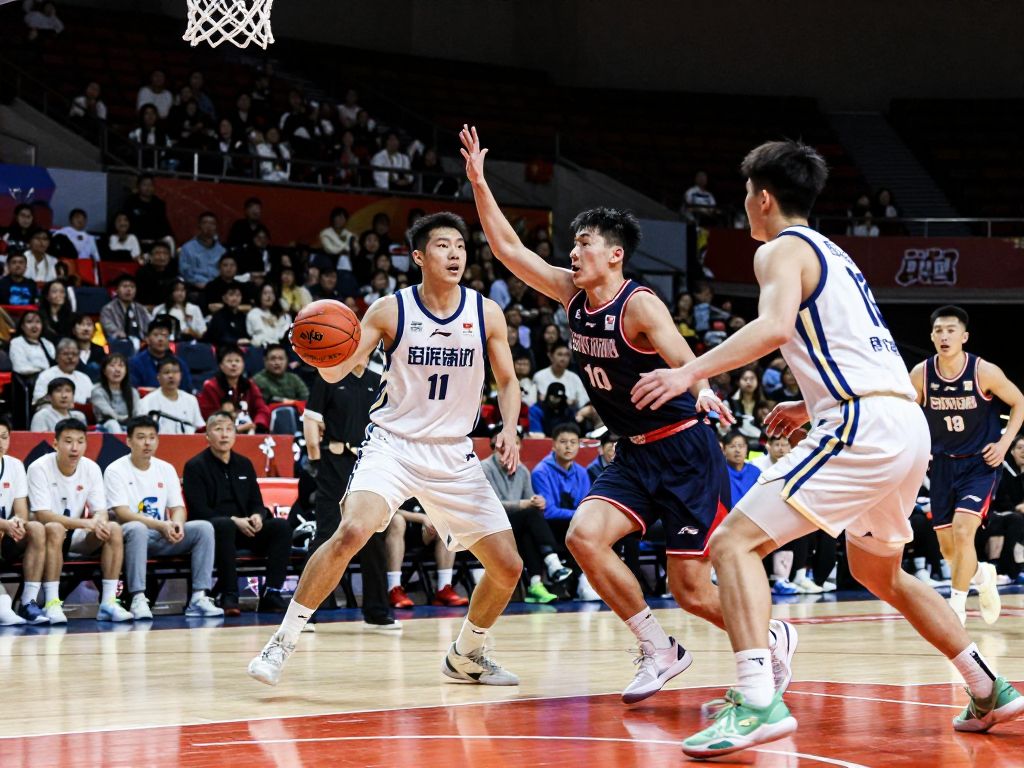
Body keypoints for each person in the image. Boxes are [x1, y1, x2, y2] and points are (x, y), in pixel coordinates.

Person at [629, 139, 1024, 756]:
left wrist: (688, 373)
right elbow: (847, 343)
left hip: (862, 423)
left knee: (733, 543)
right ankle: (987, 685)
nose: (744, 207)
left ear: (762, 198)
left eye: (744, 196)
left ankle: (758, 700)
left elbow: (775, 327)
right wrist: (808, 402)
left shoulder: (781, 249)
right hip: (900, 420)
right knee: (878, 570)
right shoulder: (835, 252)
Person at [462, 126, 784, 706]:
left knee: (691, 590)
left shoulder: (639, 304)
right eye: (574, 243)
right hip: (634, 452)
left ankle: (769, 637)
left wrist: (704, 388)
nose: (573, 252)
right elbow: (511, 251)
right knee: (585, 537)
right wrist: (481, 184)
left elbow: (682, 354)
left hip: (685, 449)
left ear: (614, 253)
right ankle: (659, 650)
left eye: (584, 242)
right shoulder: (570, 295)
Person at [248, 211, 524, 687]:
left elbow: (507, 379)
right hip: (393, 445)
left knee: (509, 566)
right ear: (419, 256)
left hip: (453, 452)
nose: (455, 253)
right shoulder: (389, 310)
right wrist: (319, 354)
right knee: (352, 529)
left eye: (460, 245)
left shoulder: (486, 312)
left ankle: (467, 654)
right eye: (442, 245)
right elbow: (341, 371)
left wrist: (511, 427)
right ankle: (282, 642)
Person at [909, 305, 1024, 625]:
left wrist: (1003, 444)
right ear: (932, 336)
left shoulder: (983, 371)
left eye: (951, 330)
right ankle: (982, 575)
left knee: (963, 531)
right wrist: (920, 448)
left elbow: (1019, 402)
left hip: (979, 464)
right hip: (943, 465)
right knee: (950, 550)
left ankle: (955, 610)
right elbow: (906, 415)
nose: (945, 336)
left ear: (964, 336)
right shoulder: (921, 374)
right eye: (939, 331)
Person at [302, 356, 397, 628]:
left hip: (368, 464)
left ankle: (377, 611)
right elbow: (311, 419)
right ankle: (305, 612)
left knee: (373, 535)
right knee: (326, 532)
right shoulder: (329, 376)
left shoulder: (377, 381)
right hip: (333, 464)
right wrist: (316, 461)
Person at [106, 416, 223, 619]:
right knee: (137, 528)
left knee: (204, 528)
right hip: (128, 537)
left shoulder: (166, 468)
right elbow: (122, 513)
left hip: (162, 534)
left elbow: (177, 507)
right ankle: (138, 598)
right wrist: (161, 525)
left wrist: (176, 524)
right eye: (141, 437)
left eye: (152, 437)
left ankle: (198, 597)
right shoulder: (115, 469)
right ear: (128, 441)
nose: (147, 442)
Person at [182, 412, 292, 616]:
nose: (224, 435)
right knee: (225, 525)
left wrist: (258, 516)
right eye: (218, 429)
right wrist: (234, 521)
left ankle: (272, 592)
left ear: (235, 434)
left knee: (280, 527)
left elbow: (257, 503)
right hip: (216, 533)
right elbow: (199, 510)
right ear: (207, 436)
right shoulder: (195, 466)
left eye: (229, 429)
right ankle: (229, 594)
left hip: (247, 530)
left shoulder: (244, 464)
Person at [27, 418, 134, 623]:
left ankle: (109, 602)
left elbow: (100, 510)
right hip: (45, 538)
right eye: (68, 441)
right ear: (55, 443)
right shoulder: (38, 467)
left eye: (80, 441)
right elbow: (42, 515)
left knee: (113, 528)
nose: (74, 448)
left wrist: (100, 522)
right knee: (55, 527)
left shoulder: (91, 468)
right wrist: (86, 523)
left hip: (76, 536)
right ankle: (52, 603)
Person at [482, 427, 571, 604]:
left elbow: (530, 500)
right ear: (495, 447)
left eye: (513, 444)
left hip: (517, 525)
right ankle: (552, 563)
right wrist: (523, 504)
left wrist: (539, 501)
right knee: (530, 515)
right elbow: (489, 506)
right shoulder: (484, 468)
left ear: (519, 447)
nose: (507, 448)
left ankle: (535, 585)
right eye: (503, 445)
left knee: (530, 526)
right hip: (491, 526)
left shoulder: (522, 470)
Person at [0, 416, 62, 625]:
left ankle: (29, 601)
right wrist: (4, 525)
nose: (0, 443)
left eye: (4, 437)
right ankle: (2, 603)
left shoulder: (15, 465)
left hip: (7, 535)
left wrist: (16, 523)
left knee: (35, 527)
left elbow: (21, 511)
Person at [197, 345, 270, 432]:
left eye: (237, 361)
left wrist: (258, 424)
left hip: (249, 430)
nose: (234, 364)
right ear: (221, 365)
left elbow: (261, 408)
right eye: (229, 361)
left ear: (243, 365)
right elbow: (208, 416)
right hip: (220, 433)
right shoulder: (211, 386)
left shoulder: (249, 385)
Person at [990, 434, 1024, 582]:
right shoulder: (1003, 471)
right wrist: (1017, 507)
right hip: (1001, 512)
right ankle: (1008, 569)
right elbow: (999, 498)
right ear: (1012, 451)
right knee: (1017, 520)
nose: (1023, 451)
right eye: (1020, 448)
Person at [139, 358, 204, 434]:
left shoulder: (191, 400)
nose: (171, 376)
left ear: (181, 375)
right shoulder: (147, 401)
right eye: (166, 372)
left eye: (175, 372)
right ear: (158, 377)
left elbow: (200, 428)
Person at [128, 317, 194, 392]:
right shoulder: (134, 363)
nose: (160, 339)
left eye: (164, 335)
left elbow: (187, 390)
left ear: (169, 340)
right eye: (156, 335)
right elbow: (133, 391)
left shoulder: (179, 364)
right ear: (147, 339)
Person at [32, 338, 93, 406]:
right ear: (57, 357)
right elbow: (38, 403)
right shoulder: (46, 376)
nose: (70, 357)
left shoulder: (85, 378)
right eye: (65, 354)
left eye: (74, 354)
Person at [91, 353, 140, 433]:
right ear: (104, 371)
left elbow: (137, 414)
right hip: (105, 428)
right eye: (112, 366)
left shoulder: (133, 392)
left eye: (121, 366)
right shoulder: (97, 391)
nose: (117, 369)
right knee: (113, 424)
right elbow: (109, 414)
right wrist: (128, 420)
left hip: (129, 427)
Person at [100, 274, 152, 350]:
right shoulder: (108, 309)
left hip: (142, 342)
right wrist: (120, 334)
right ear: (117, 290)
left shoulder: (141, 308)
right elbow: (109, 327)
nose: (129, 290)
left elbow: (150, 325)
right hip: (120, 342)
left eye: (132, 287)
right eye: (125, 286)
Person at [532, 341, 589, 411]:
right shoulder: (539, 376)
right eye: (560, 354)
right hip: (545, 415)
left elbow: (583, 401)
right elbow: (535, 401)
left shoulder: (575, 378)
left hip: (570, 416)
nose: (563, 358)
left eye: (567, 355)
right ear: (550, 356)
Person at [179, 212, 226, 291]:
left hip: (217, 287)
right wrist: (197, 283)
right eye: (205, 223)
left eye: (212, 224)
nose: (209, 226)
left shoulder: (222, 251)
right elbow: (185, 272)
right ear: (199, 226)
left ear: (216, 227)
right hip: (195, 287)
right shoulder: (187, 248)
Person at [10, 310, 55, 377]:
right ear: (22, 326)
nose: (34, 326)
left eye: (38, 322)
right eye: (29, 322)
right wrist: (44, 371)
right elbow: (20, 368)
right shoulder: (16, 342)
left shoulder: (47, 343)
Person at [722, 430, 761, 505]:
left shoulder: (755, 472)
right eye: (732, 446)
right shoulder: (719, 472)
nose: (737, 450)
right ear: (724, 450)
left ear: (747, 449)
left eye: (741, 446)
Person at [134, 242, 179, 307]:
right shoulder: (142, 273)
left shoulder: (174, 272)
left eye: (165, 253)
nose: (162, 257)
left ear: (169, 257)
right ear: (150, 256)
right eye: (157, 253)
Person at [319, 207, 358, 272]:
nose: (340, 220)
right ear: (333, 218)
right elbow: (329, 249)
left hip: (348, 264)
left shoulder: (350, 234)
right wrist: (344, 250)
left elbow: (355, 250)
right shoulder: (325, 233)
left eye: (343, 218)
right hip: (331, 261)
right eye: (338, 217)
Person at [70, 312, 105, 381]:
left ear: (94, 331)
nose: (86, 329)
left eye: (89, 325)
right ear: (73, 330)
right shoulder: (68, 351)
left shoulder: (100, 350)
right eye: (81, 324)